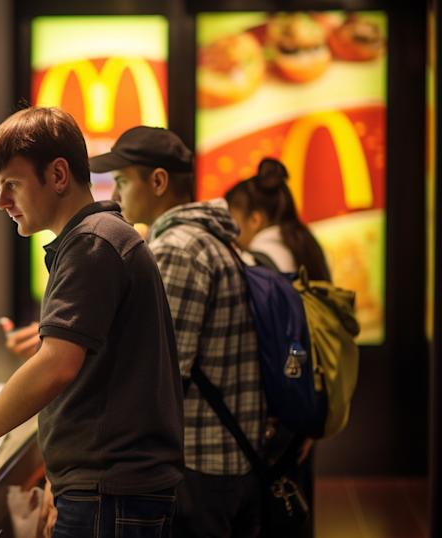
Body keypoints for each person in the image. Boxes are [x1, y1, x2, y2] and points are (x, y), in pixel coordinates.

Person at [0, 108, 184, 537]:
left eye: (12, 185)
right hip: (108, 486)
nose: (2, 202)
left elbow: (57, 364)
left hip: (111, 490)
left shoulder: (92, 242)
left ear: (57, 175)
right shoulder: (97, 237)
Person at [90, 126, 265, 537]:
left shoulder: (178, 249)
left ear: (158, 181)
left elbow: (162, 371)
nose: (116, 195)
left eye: (122, 181)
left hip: (200, 462)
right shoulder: (213, 238)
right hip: (231, 455)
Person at [226, 157, 331, 538]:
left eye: (233, 219)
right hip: (307, 400)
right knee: (294, 507)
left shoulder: (258, 261)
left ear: (255, 219)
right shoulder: (307, 246)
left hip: (277, 413)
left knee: (271, 514)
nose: (230, 230)